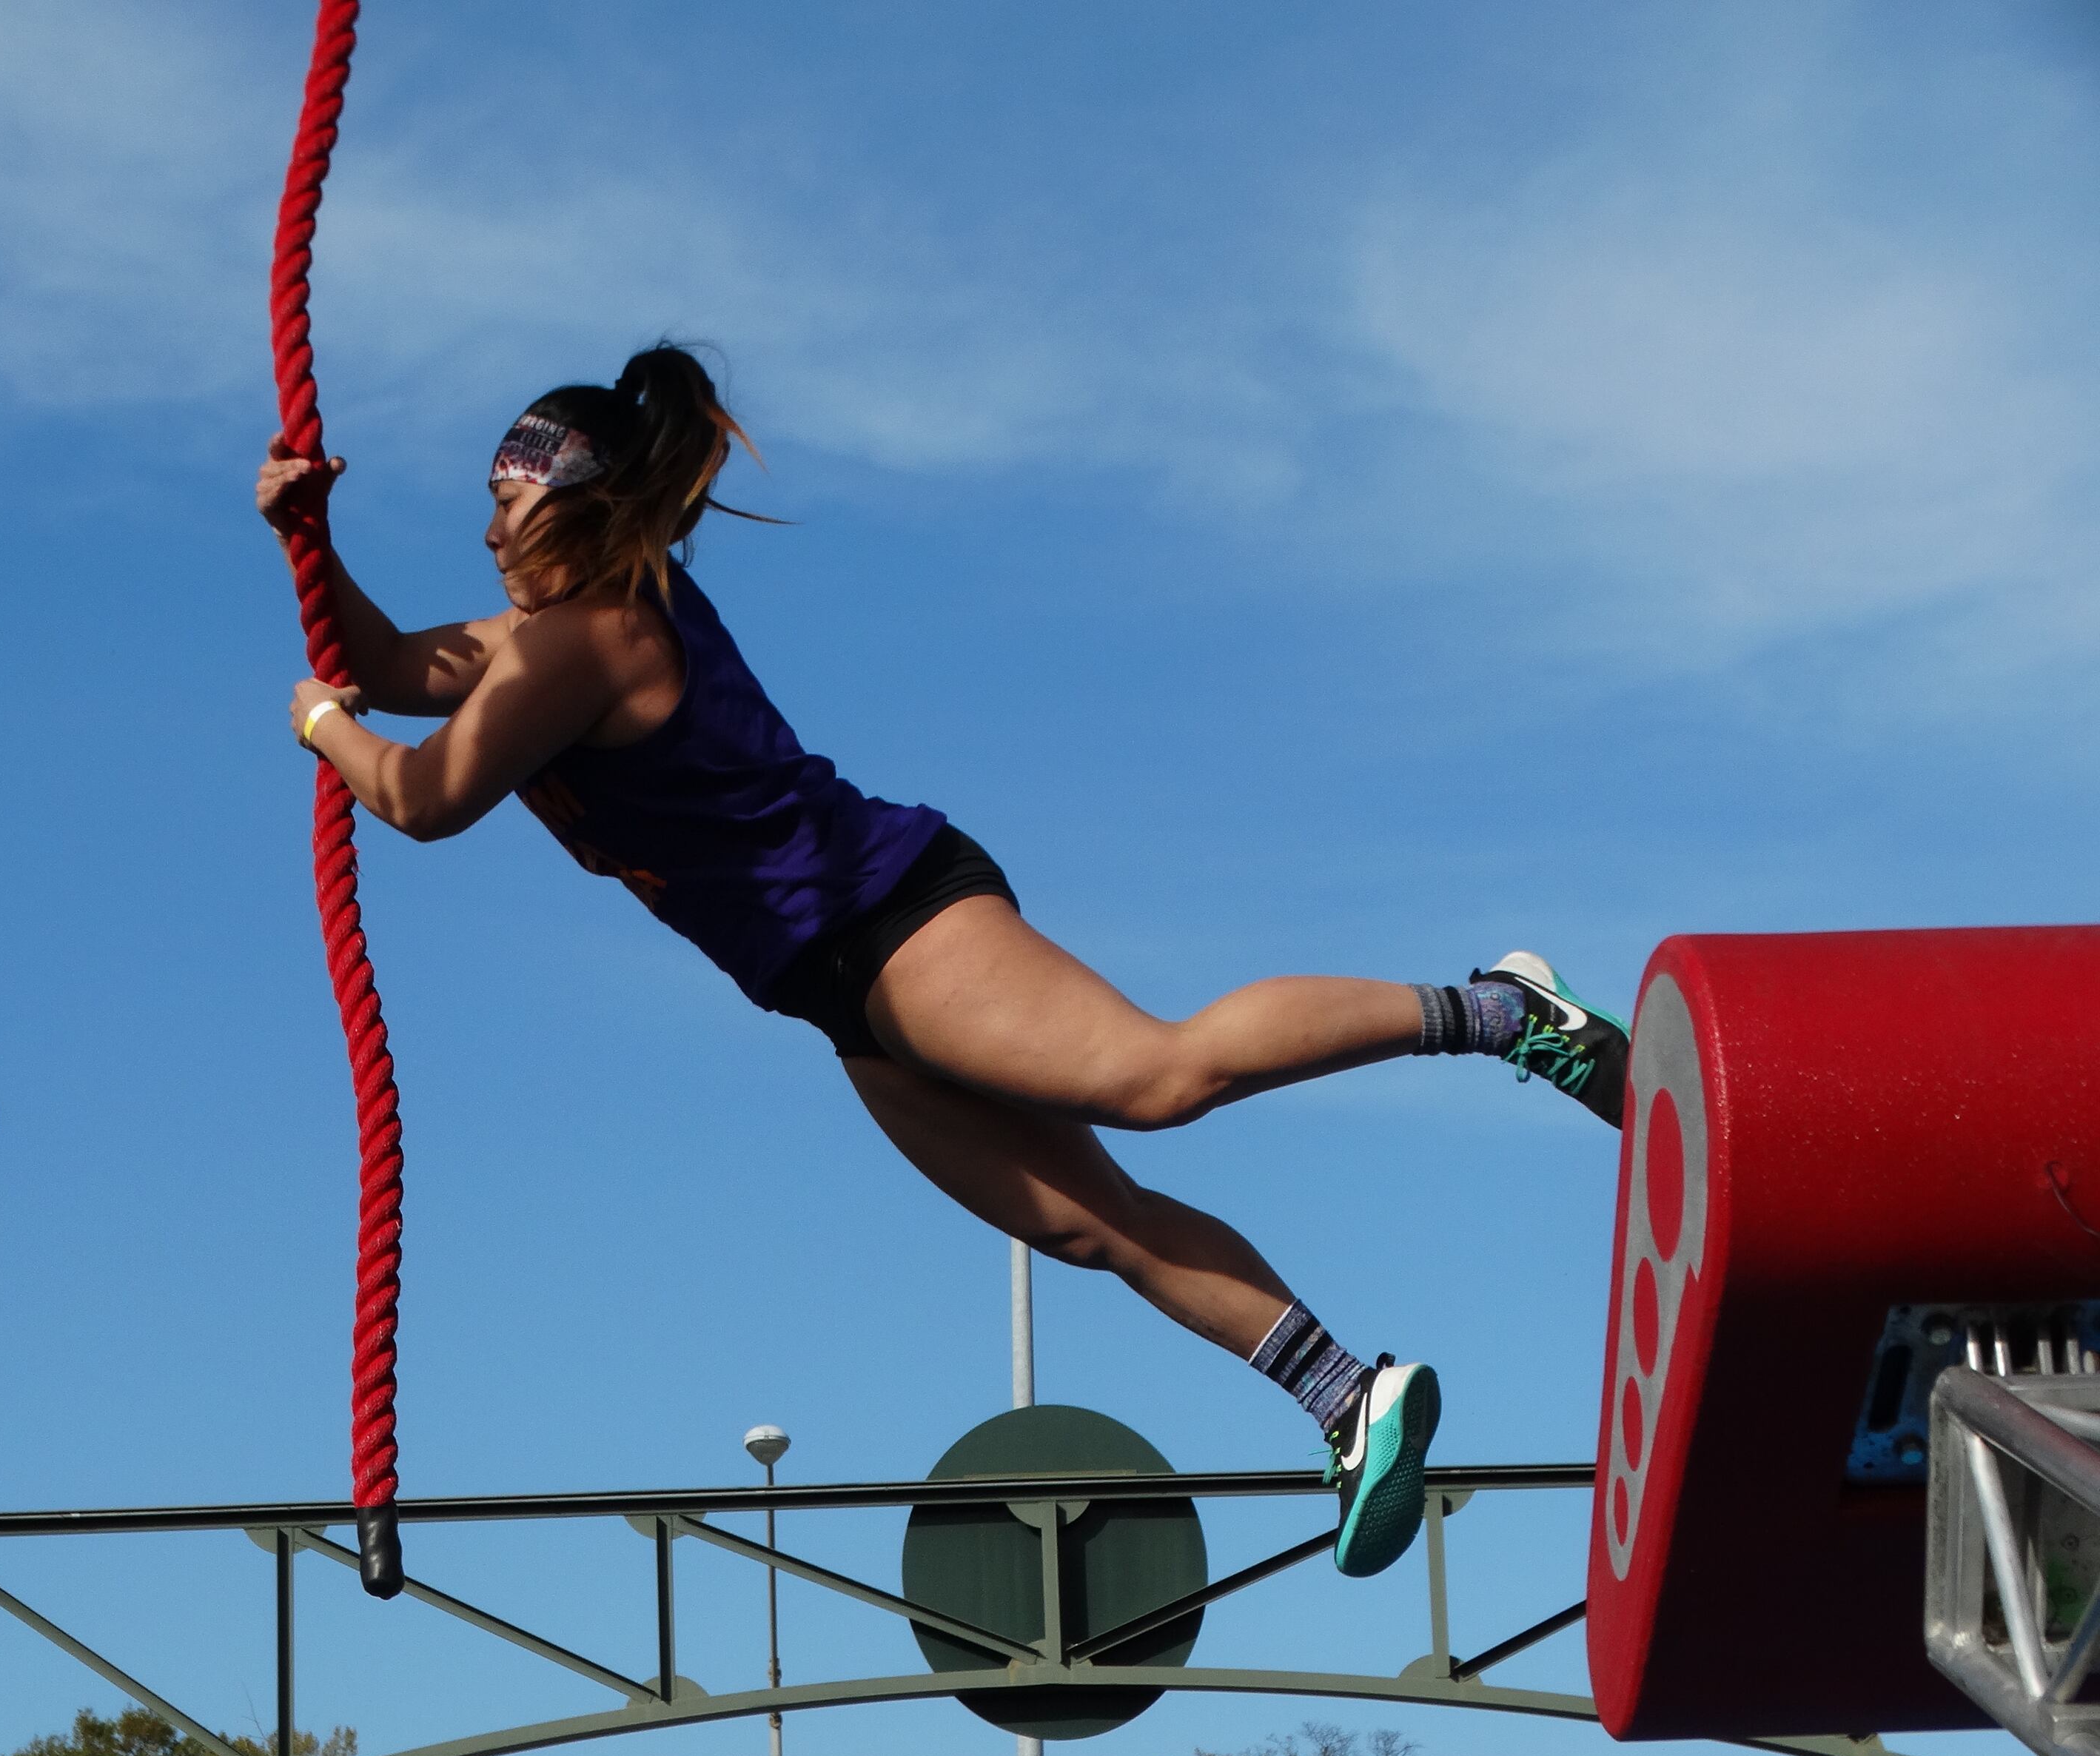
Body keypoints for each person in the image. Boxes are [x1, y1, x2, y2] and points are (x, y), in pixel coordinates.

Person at [256, 344, 1624, 1578]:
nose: (488, 527)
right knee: (1090, 1224)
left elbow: (423, 796)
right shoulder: (526, 646)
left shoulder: (590, 633)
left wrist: (321, 724)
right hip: (834, 993)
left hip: (894, 919)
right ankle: (1346, 1395)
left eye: (510, 499)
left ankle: (1500, 1010)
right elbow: (385, 655)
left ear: (582, 502)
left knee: (1159, 1077)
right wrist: (306, 539)